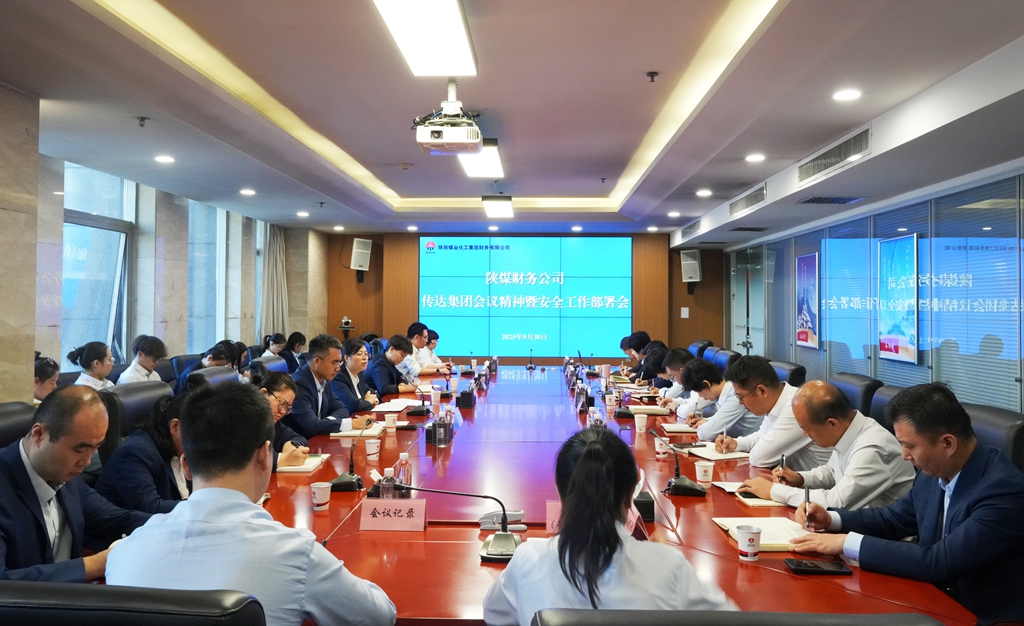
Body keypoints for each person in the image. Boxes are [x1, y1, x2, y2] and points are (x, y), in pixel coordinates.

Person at [105, 382, 397, 626]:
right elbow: (380, 616)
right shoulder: (296, 554)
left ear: (186, 466)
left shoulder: (124, 552)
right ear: (265, 455)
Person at [790, 383, 1024, 625]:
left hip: (979, 616)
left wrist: (847, 542)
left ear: (948, 444)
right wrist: (831, 519)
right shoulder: (935, 470)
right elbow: (893, 519)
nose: (904, 455)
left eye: (909, 445)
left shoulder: (1003, 491)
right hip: (929, 598)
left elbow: (940, 561)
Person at [482, 427, 735, 625]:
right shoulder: (669, 566)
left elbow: (494, 615)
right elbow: (732, 619)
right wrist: (657, 557)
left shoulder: (527, 559)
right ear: (631, 494)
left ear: (560, 493)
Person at [0, 386, 149, 582]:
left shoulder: (67, 474)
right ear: (39, 434)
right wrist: (95, 564)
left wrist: (175, 524)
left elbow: (115, 519)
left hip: (74, 595)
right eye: (80, 449)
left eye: (95, 448)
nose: (86, 461)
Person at [737, 381, 914, 509]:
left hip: (884, 538)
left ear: (831, 423)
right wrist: (801, 478)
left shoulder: (872, 447)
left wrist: (774, 491)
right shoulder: (851, 428)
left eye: (807, 429)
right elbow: (832, 471)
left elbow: (837, 502)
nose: (804, 434)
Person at [714, 356, 830, 471]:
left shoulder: (796, 407)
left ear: (762, 391)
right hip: (793, 478)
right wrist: (736, 443)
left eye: (741, 396)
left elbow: (759, 458)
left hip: (817, 482)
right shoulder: (777, 401)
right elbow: (763, 434)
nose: (740, 402)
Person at [95, 393, 190, 513]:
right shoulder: (135, 453)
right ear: (175, 427)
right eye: (198, 433)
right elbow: (151, 508)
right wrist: (200, 506)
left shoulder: (181, 447)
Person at [680, 358, 761, 441]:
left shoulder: (736, 396)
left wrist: (706, 425)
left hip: (748, 446)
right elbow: (722, 419)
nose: (700, 396)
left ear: (706, 384)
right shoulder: (724, 392)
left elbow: (705, 434)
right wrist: (704, 420)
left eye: (698, 392)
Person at [285, 333, 349, 438]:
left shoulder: (324, 380)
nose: (338, 368)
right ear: (317, 361)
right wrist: (348, 424)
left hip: (319, 439)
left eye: (339, 363)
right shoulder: (299, 384)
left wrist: (326, 422)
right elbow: (311, 426)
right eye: (335, 363)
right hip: (301, 443)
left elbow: (342, 409)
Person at [251, 367, 310, 471]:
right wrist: (282, 459)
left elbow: (298, 437)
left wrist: (290, 444)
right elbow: (244, 461)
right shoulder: (242, 419)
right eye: (282, 403)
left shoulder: (272, 421)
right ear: (263, 393)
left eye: (287, 408)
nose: (283, 411)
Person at [332, 337, 379, 414]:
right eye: (359, 354)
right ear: (346, 358)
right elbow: (353, 406)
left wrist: (371, 400)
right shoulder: (338, 377)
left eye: (366, 354)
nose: (365, 358)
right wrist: (369, 401)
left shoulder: (359, 373)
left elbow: (374, 393)